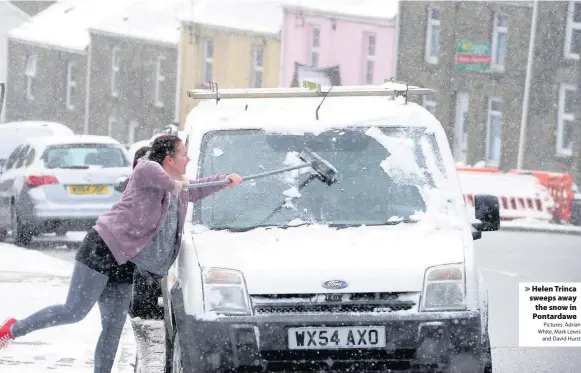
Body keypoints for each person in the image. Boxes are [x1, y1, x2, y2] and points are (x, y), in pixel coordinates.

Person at [0, 135, 243, 373]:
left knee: (113, 329)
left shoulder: (175, 190)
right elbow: (150, 168)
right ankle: (11, 330)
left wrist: (224, 180)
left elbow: (197, 190)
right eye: (183, 154)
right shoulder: (146, 173)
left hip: (125, 262)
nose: (188, 159)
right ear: (168, 159)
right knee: (74, 311)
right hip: (101, 249)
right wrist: (175, 183)